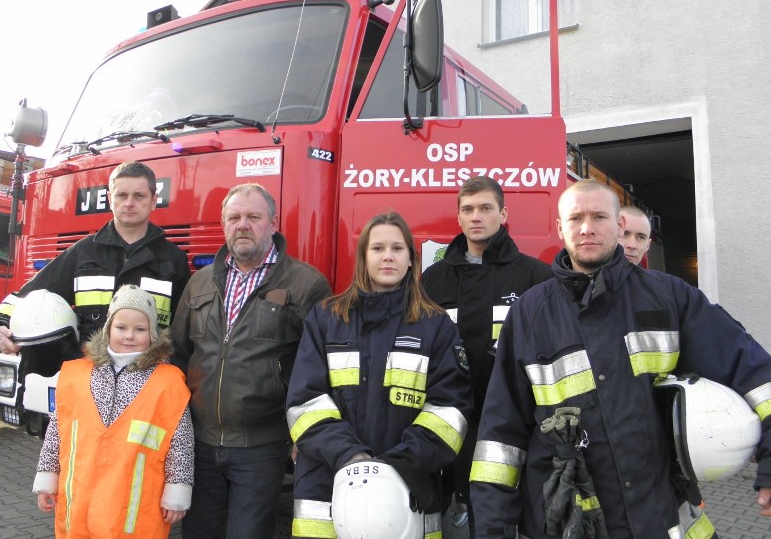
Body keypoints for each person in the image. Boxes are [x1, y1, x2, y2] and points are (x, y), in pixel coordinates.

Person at [469, 179, 771, 538]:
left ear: (619, 226)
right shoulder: (528, 315)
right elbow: (500, 438)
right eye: (575, 218)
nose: (586, 228)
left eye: (599, 216)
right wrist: (492, 529)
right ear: (559, 228)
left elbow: (753, 372)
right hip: (570, 521)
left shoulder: (670, 297)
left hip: (660, 517)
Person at [286, 211, 473, 538]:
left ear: (412, 260)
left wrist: (398, 463)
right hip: (326, 485)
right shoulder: (327, 319)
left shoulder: (435, 325)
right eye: (378, 248)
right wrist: (352, 455)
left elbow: (450, 409)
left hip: (409, 484)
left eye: (398, 248)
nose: (388, 256)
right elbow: (305, 402)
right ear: (363, 258)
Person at [171, 182, 332, 539]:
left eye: (253, 217)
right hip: (200, 443)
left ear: (273, 223)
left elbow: (323, 367)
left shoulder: (306, 285)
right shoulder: (199, 284)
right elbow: (178, 356)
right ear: (224, 224)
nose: (242, 224)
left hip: (262, 447)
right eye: (234, 217)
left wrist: (306, 435)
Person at [421, 176, 551, 531]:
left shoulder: (535, 276)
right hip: (449, 415)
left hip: (512, 417)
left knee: (503, 513)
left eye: (485, 208)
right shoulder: (433, 279)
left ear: (503, 213)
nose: (476, 216)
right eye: (468, 209)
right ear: (459, 218)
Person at [0, 160, 190, 354]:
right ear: (110, 199)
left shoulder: (174, 261)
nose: (129, 203)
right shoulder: (83, 253)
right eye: (122, 195)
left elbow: (184, 330)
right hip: (88, 379)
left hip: (149, 379)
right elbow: (33, 295)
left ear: (153, 200)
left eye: (139, 196)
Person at [33, 284, 194, 538]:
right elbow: (57, 431)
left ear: (152, 334)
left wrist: (177, 487)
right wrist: (47, 478)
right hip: (79, 504)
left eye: (139, 329)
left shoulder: (168, 383)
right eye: (121, 327)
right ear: (108, 330)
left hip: (132, 509)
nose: (129, 336)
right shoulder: (78, 374)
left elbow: (180, 442)